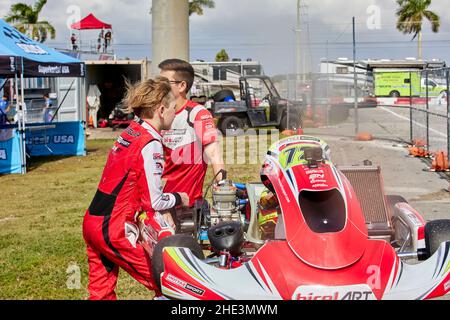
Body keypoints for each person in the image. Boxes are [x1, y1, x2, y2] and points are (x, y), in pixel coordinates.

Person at [82, 77, 189, 300]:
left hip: (93, 221)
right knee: (168, 281)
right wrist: (180, 198)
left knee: (101, 292)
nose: (174, 113)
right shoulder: (150, 143)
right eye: (172, 108)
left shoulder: (131, 130)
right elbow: (154, 201)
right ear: (161, 110)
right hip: (113, 229)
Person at [158, 59, 225, 225]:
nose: (158, 87)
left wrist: (223, 188)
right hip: (154, 202)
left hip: (184, 205)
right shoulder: (156, 113)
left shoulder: (197, 114)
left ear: (182, 86)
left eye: (164, 83)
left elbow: (215, 155)